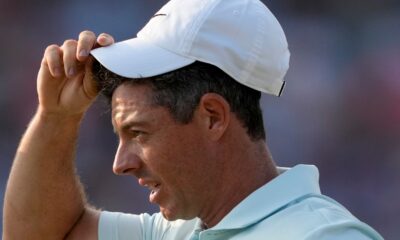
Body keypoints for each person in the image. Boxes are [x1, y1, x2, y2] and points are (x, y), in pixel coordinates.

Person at [3, 0, 383, 239]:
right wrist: (56, 116)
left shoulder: (323, 235)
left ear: (213, 117)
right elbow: (38, 234)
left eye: (139, 132)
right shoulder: (178, 230)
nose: (120, 163)